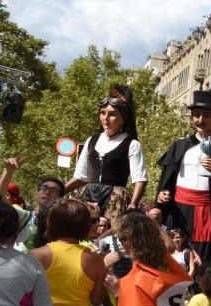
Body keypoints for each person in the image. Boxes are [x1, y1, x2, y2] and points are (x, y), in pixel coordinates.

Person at [155, 90, 211, 306]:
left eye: (206, 115)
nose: (200, 120)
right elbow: (167, 180)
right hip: (179, 212)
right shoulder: (179, 146)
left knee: (204, 264)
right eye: (196, 114)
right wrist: (163, 195)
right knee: (176, 259)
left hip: (208, 216)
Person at [63, 85, 148, 217]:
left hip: (115, 200)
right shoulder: (91, 140)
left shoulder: (132, 144)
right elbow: (81, 176)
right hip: (88, 196)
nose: (105, 118)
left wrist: (133, 203)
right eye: (103, 113)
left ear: (124, 118)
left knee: (107, 235)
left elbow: (140, 179)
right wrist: (60, 190)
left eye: (112, 114)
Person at [0, 155, 65, 252]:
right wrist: (8, 172)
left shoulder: (65, 222)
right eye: (44, 188)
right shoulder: (24, 217)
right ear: (37, 193)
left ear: (61, 197)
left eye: (53, 189)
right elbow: (0, 200)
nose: (47, 192)